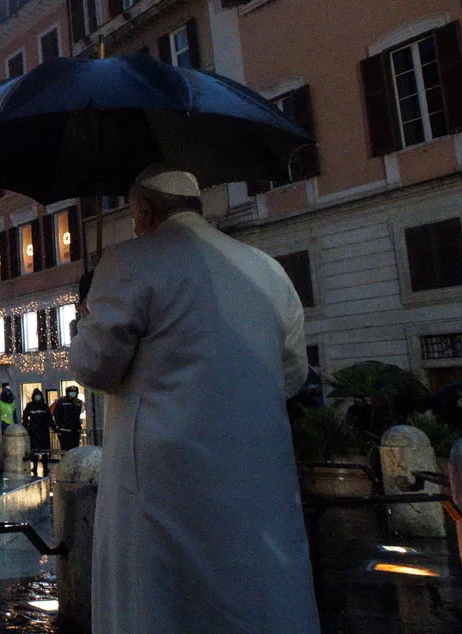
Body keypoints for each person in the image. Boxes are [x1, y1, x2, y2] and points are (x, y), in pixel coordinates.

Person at [70, 165, 317, 633]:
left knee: (161, 601)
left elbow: (93, 366)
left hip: (163, 479)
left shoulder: (129, 261)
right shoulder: (269, 270)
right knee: (256, 591)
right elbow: (292, 374)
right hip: (254, 471)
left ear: (143, 208)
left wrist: (86, 317)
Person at [23, 389, 53, 477]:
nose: (37, 397)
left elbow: (49, 418)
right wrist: (27, 427)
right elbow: (25, 417)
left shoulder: (44, 406)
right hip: (34, 431)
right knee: (35, 450)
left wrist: (53, 427)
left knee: (44, 451)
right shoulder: (30, 406)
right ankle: (34, 466)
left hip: (43, 430)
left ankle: (45, 467)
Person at [51, 385, 84, 451]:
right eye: (71, 392)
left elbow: (79, 413)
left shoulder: (79, 402)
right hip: (64, 429)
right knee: (66, 448)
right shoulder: (61, 401)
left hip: (75, 429)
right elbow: (56, 414)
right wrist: (58, 426)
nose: (73, 394)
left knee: (75, 448)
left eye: (74, 392)